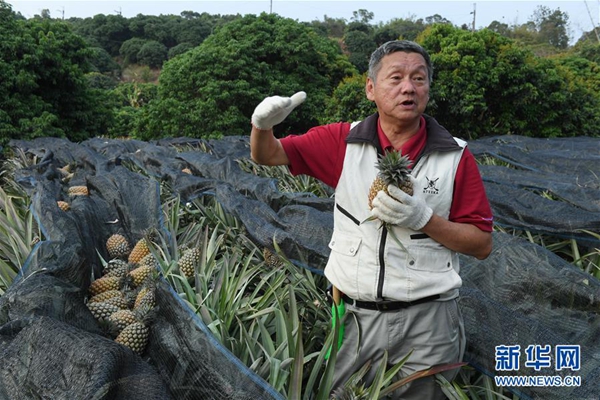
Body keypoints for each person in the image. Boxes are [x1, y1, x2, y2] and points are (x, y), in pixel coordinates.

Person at [249, 40, 493, 399]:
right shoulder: (342, 142)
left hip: (428, 321)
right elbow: (268, 155)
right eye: (395, 78)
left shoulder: (454, 156)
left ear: (427, 88)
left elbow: (482, 244)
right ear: (370, 89)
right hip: (353, 317)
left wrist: (424, 217)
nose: (408, 87)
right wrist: (262, 127)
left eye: (418, 78)